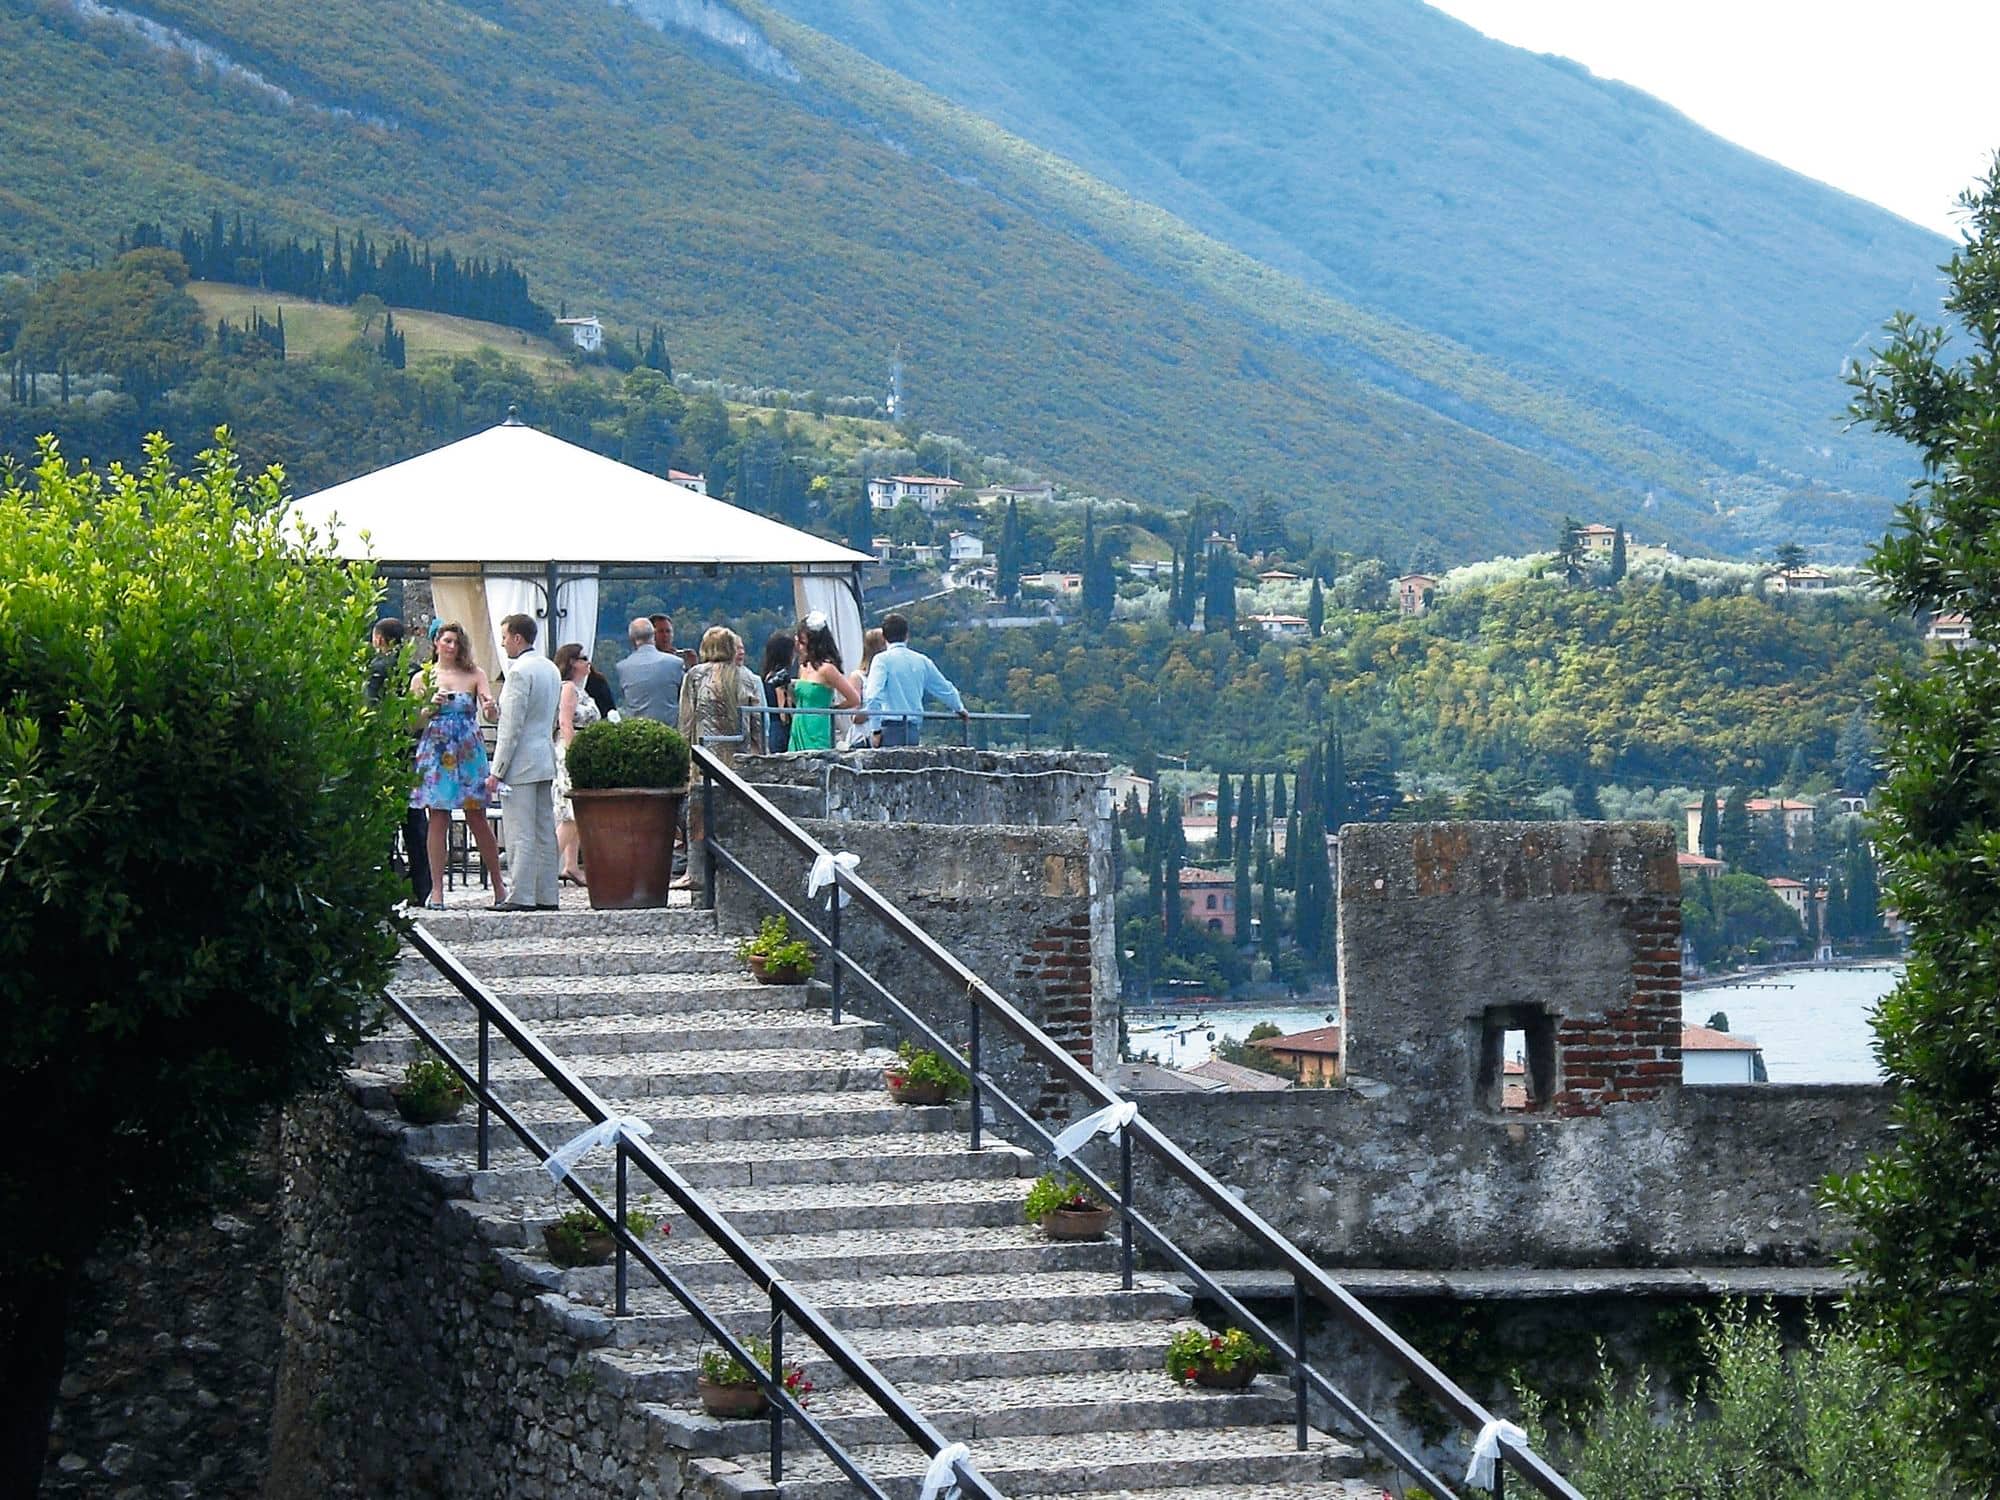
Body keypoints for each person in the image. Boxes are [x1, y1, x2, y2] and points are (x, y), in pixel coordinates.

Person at [408, 622, 505, 909]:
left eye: (456, 642)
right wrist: (430, 706)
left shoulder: (475, 674)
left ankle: (499, 886)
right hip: (437, 749)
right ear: (435, 643)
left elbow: (491, 712)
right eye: (446, 641)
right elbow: (413, 723)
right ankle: (436, 890)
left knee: (477, 816)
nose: (451, 646)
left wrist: (489, 708)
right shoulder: (422, 678)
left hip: (467, 749)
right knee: (437, 816)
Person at [492, 614, 562, 911]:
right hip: (544, 756)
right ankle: (547, 893)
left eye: (506, 636)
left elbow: (511, 728)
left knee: (520, 830)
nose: (504, 642)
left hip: (521, 762)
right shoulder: (550, 668)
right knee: (545, 829)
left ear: (518, 637)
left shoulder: (519, 672)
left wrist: (497, 770)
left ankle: (521, 893)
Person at [368, 617, 432, 904]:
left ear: (380, 639)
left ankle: (385, 883)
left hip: (385, 750)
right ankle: (422, 885)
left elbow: (370, 711)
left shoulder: (377, 669)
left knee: (384, 820)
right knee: (415, 819)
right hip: (412, 748)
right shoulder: (416, 670)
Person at [862, 612, 968, 747]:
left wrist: (875, 730)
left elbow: (873, 697)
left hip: (890, 728)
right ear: (907, 635)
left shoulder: (881, 660)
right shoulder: (921, 660)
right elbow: (944, 688)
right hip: (913, 729)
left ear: (884, 637)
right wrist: (959, 707)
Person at [552, 642, 601, 888]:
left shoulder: (580, 689)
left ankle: (570, 864)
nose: (587, 662)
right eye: (583, 658)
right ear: (572, 662)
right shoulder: (569, 688)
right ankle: (548, 866)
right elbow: (566, 722)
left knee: (576, 812)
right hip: (571, 749)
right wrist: (574, 755)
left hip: (580, 747)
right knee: (572, 812)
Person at [787, 612, 859, 751]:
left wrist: (832, 710)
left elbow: (854, 699)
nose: (800, 647)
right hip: (799, 725)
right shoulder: (803, 667)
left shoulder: (827, 669)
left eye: (803, 643)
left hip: (818, 727)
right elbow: (798, 699)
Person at [616, 616, 684, 722]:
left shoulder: (622, 667)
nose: (666, 636)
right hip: (670, 733)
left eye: (668, 631)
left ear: (632, 639)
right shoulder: (676, 663)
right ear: (653, 635)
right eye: (661, 632)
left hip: (636, 732)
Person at [846, 627, 888, 748]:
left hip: (885, 734)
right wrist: (876, 709)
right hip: (863, 737)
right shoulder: (857, 677)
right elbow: (855, 717)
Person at [759, 629, 797, 754]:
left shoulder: (768, 675)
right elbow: (783, 708)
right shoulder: (781, 676)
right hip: (781, 727)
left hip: (771, 725)